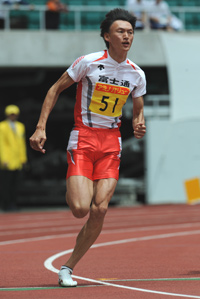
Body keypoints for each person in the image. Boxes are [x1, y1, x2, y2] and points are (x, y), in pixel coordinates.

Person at [29, 8, 146, 287]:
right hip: (83, 137)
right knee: (81, 208)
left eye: (130, 31)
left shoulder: (136, 74)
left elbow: (138, 110)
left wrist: (139, 124)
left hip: (111, 142)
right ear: (107, 36)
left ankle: (67, 267)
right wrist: (41, 126)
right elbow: (55, 89)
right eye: (120, 31)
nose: (126, 35)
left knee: (100, 210)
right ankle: (73, 185)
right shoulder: (89, 63)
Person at [0, 105, 27, 211]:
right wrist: (3, 159)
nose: (13, 116)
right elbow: (1, 144)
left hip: (17, 160)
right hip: (7, 160)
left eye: (14, 114)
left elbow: (21, 144)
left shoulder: (20, 126)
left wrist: (23, 158)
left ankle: (13, 203)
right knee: (6, 184)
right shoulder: (2, 126)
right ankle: (6, 204)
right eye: (11, 114)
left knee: (16, 184)